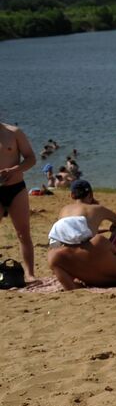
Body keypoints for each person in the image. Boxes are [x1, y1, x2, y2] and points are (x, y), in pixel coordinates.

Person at [0, 119, 37, 283]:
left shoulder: (13, 133)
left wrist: (14, 170)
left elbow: (31, 158)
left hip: (16, 188)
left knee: (23, 233)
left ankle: (30, 274)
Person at [53, 178, 116, 251]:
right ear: (90, 195)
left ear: (71, 195)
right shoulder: (97, 208)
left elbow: (74, 233)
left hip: (67, 255)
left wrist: (105, 229)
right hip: (89, 256)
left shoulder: (63, 210)